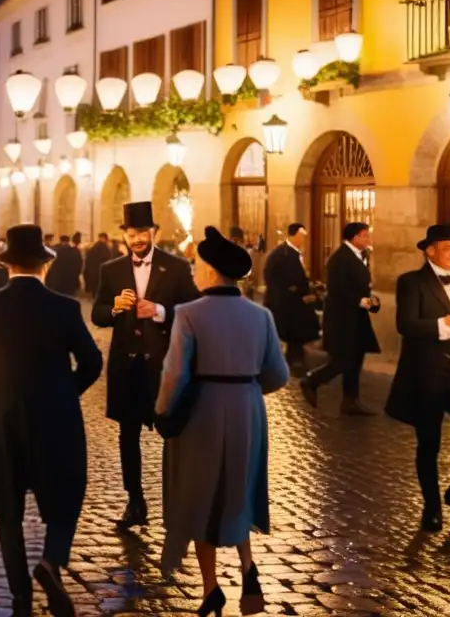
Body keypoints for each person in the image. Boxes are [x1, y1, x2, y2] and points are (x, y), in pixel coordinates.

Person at [0, 225, 102, 617]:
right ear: (44, 266)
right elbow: (92, 361)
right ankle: (51, 560)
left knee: (9, 510)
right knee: (67, 492)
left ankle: (20, 598)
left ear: (7, 266)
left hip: (0, 416)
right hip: (54, 415)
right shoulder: (65, 307)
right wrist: (65, 391)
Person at [155, 228, 289, 617]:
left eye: (199, 265)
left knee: (201, 496)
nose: (195, 272)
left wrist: (163, 410)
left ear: (212, 272)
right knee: (239, 487)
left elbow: (174, 374)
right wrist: (245, 388)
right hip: (248, 408)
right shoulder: (261, 316)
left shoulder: (189, 314)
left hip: (202, 412)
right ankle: (247, 567)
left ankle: (211, 587)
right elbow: (278, 375)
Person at [91, 201, 199, 530]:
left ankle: (178, 501)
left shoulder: (176, 267)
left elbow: (193, 307)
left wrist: (161, 311)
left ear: (153, 233)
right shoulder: (110, 270)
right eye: (132, 233)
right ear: (124, 235)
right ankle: (135, 501)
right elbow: (97, 314)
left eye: (143, 232)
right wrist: (114, 308)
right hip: (127, 366)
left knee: (173, 432)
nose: (138, 238)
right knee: (128, 435)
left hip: (165, 366)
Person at [386, 224, 450, 532]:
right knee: (428, 444)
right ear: (429, 251)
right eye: (448, 248)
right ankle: (432, 508)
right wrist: (445, 321)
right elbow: (406, 325)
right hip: (425, 375)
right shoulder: (411, 282)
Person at [302, 222, 380, 414]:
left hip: (357, 318)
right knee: (343, 360)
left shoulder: (360, 256)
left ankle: (350, 400)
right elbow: (337, 290)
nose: (368, 239)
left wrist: (370, 301)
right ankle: (311, 380)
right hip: (342, 319)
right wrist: (361, 301)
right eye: (365, 236)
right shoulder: (339, 258)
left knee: (356, 359)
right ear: (354, 237)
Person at [262, 223, 320, 367]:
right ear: (293, 235)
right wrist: (286, 291)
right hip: (285, 301)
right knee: (292, 330)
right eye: (301, 236)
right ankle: (292, 359)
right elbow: (269, 275)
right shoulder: (280, 253)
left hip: (298, 301)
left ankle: (296, 356)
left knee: (299, 331)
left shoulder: (295, 253)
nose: (303, 240)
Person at [83, 233, 112, 298]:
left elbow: (88, 260)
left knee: (95, 288)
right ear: (104, 238)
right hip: (101, 272)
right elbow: (108, 259)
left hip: (93, 272)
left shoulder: (93, 248)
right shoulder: (104, 248)